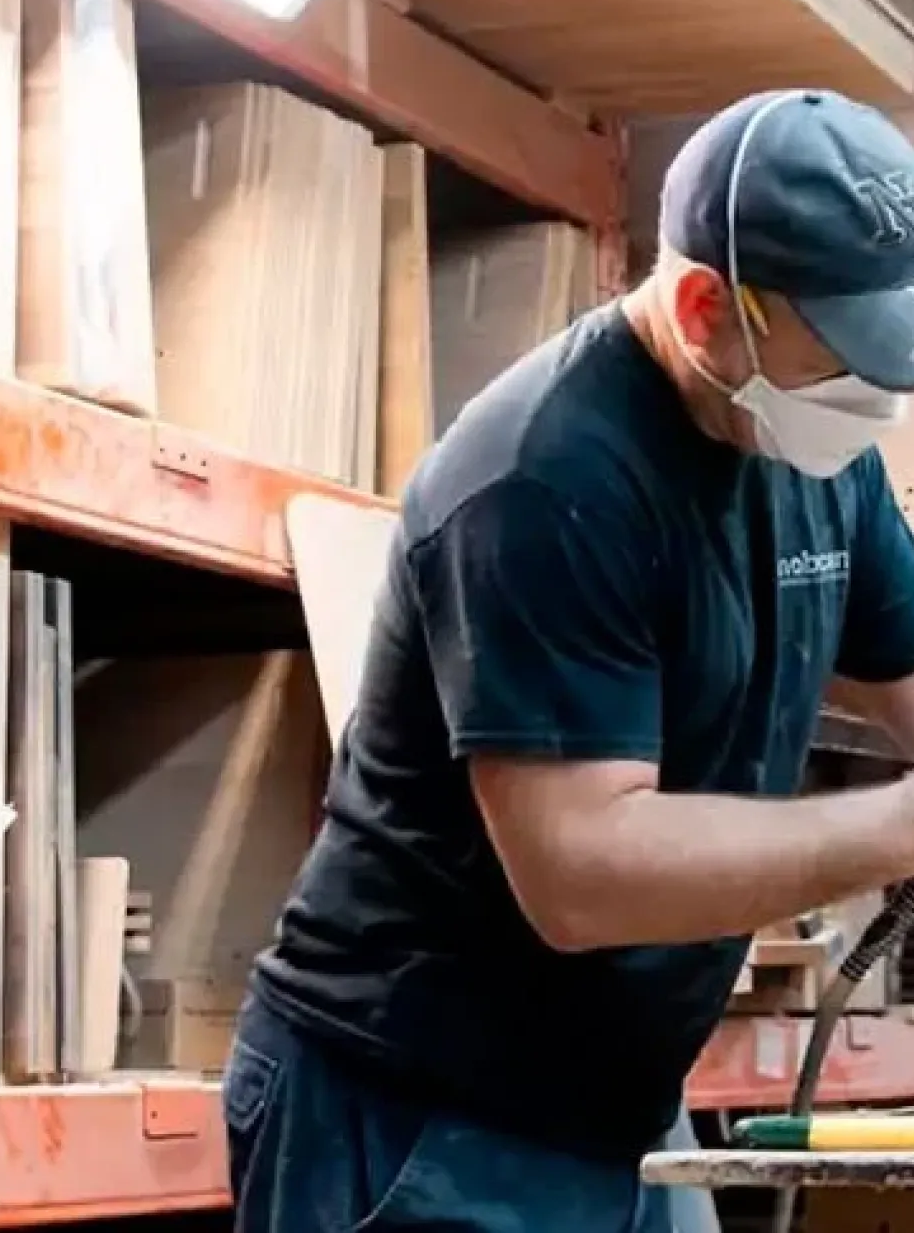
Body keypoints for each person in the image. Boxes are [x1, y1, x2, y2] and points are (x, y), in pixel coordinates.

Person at [223, 88, 914, 1232]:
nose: (874, 405)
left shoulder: (817, 451)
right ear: (704, 306)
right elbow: (582, 872)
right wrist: (893, 830)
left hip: (621, 1106)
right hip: (418, 1111)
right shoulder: (542, 479)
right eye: (846, 368)